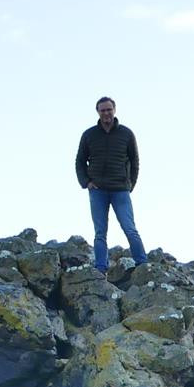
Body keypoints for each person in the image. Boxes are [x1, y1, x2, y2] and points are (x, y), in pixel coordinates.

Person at [75, 95, 146, 271]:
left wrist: (130, 184)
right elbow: (80, 161)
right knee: (100, 233)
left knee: (130, 228)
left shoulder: (126, 134)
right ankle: (100, 268)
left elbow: (135, 161)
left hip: (120, 190)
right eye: (103, 110)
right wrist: (86, 183)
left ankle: (143, 264)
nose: (106, 113)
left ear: (114, 110)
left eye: (109, 109)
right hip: (97, 190)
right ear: (98, 112)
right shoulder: (89, 135)